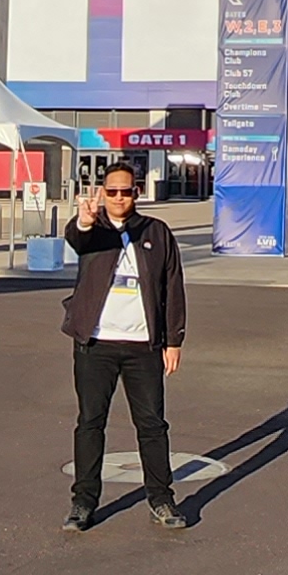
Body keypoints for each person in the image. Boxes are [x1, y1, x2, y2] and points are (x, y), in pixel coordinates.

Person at [59, 161, 190, 533]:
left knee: (151, 425)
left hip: (142, 348)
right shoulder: (95, 230)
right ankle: (83, 503)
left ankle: (161, 499)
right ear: (103, 192)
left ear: (137, 193)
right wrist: (84, 220)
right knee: (90, 422)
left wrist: (173, 339)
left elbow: (172, 287)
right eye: (112, 191)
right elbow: (78, 239)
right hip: (95, 344)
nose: (119, 197)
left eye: (126, 191)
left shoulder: (156, 232)